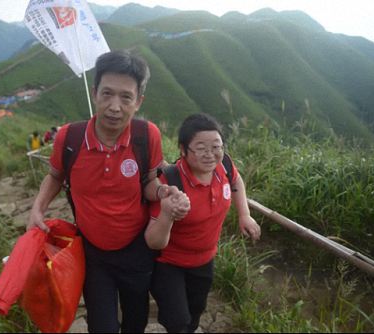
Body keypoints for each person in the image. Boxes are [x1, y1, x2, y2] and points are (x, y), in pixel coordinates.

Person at [27, 50, 189, 333]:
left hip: (136, 249)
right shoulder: (69, 138)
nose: (115, 106)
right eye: (107, 94)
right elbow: (55, 176)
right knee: (102, 326)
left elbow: (149, 181)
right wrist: (37, 209)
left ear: (138, 101)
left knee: (136, 320)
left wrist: (163, 193)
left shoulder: (146, 135)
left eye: (126, 97)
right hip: (92, 252)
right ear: (94, 93)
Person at [145, 113, 261, 333]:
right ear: (183, 149)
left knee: (196, 311)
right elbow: (153, 241)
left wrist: (244, 214)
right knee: (177, 321)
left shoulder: (224, 165)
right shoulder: (170, 182)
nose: (210, 155)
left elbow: (236, 180)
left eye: (216, 146)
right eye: (200, 148)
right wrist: (168, 214)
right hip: (169, 264)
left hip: (205, 260)